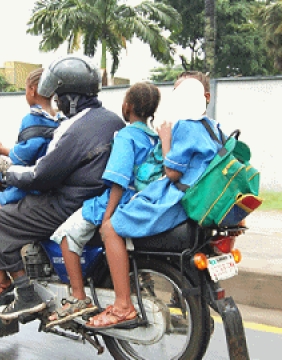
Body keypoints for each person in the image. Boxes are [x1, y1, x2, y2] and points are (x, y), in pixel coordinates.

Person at [0, 55, 125, 320]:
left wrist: (6, 172)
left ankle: (25, 293)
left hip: (65, 204)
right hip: (95, 197)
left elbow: (40, 175)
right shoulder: (110, 119)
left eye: (60, 95)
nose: (57, 101)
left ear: (72, 97)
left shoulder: (74, 127)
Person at [86, 71, 222, 329]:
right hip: (195, 197)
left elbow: (172, 172)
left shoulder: (184, 126)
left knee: (110, 228)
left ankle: (123, 306)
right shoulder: (213, 127)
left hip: (174, 199)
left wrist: (166, 139)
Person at [46, 82, 162, 328]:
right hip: (143, 201)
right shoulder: (155, 138)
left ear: (127, 106)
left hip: (120, 200)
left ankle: (78, 297)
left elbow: (118, 181)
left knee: (67, 236)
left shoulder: (126, 136)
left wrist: (107, 216)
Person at [0, 68, 63, 211]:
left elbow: (23, 156)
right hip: (51, 187)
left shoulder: (32, 119)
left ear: (32, 90)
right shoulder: (60, 120)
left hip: (28, 187)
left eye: (25, 89)